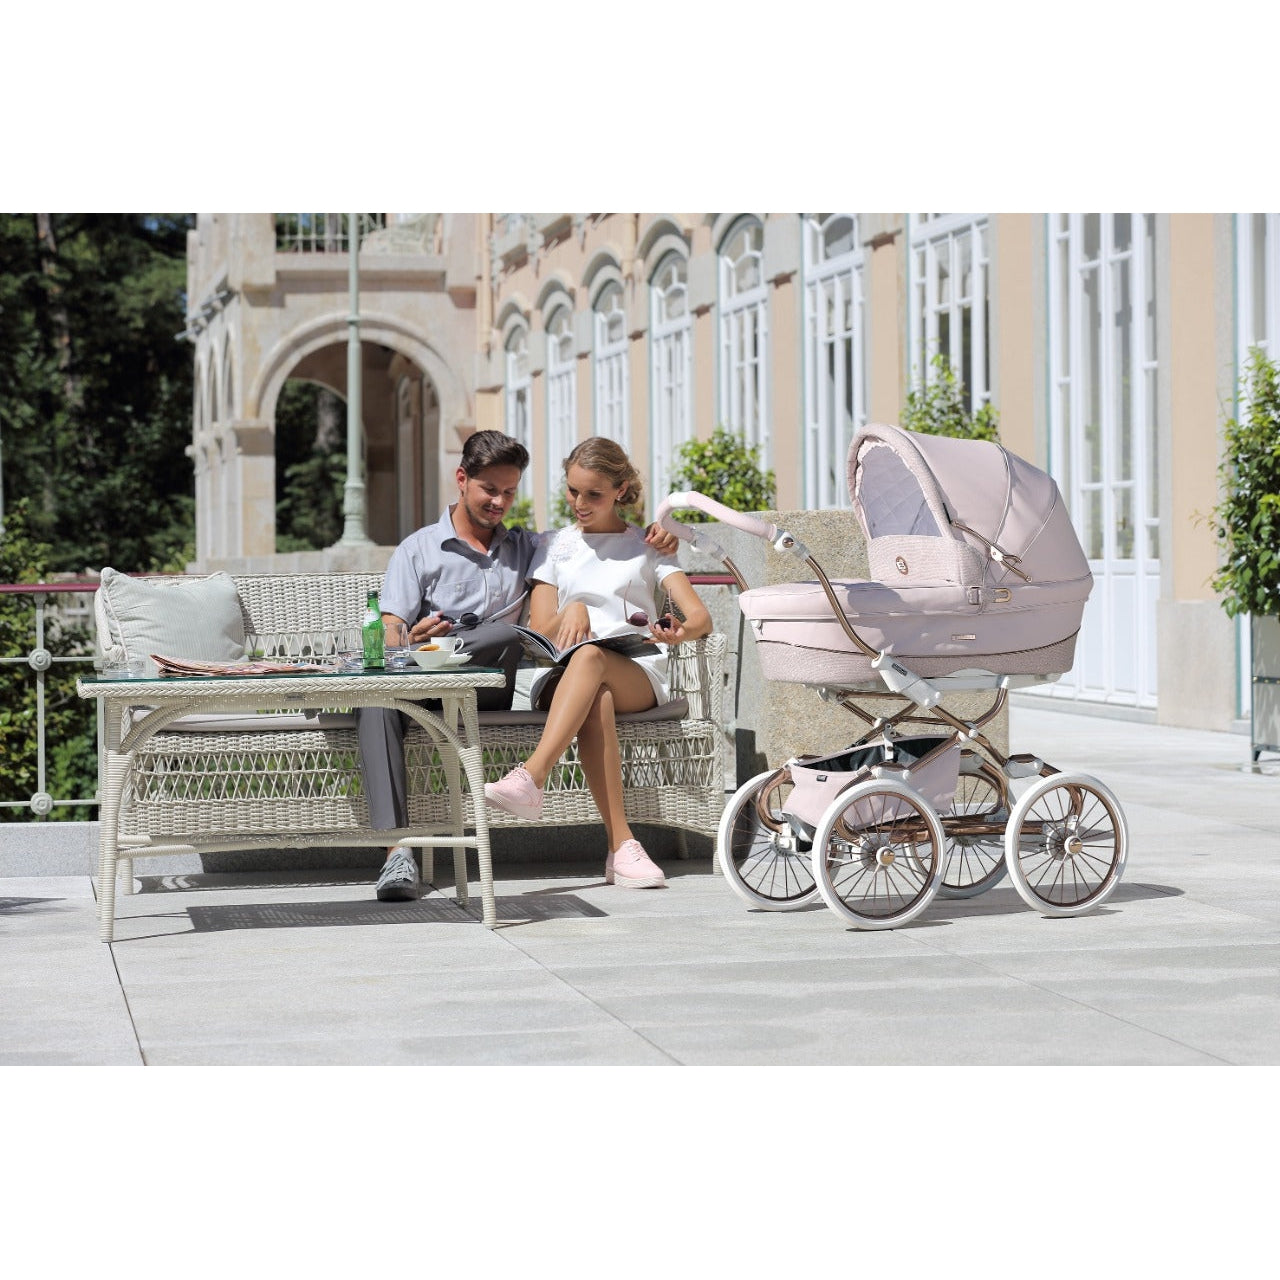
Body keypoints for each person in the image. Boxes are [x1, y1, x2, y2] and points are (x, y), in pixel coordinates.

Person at [362, 429, 678, 902]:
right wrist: (411, 636)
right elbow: (389, 630)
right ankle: (397, 852)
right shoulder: (418, 549)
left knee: (504, 634)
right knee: (375, 703)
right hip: (423, 677)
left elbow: (592, 541)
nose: (499, 503)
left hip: (486, 685)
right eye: (489, 490)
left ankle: (564, 803)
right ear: (461, 479)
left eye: (509, 492)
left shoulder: (530, 546)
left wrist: (659, 538)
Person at [484, 437, 712, 889]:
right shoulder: (553, 545)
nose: (580, 503)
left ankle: (532, 776)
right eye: (573, 491)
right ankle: (621, 847)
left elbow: (700, 618)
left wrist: (678, 632)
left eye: (594, 494)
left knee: (594, 660)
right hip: (562, 675)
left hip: (637, 672)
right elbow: (541, 627)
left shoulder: (648, 545)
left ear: (620, 489)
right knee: (595, 689)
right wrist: (573, 611)